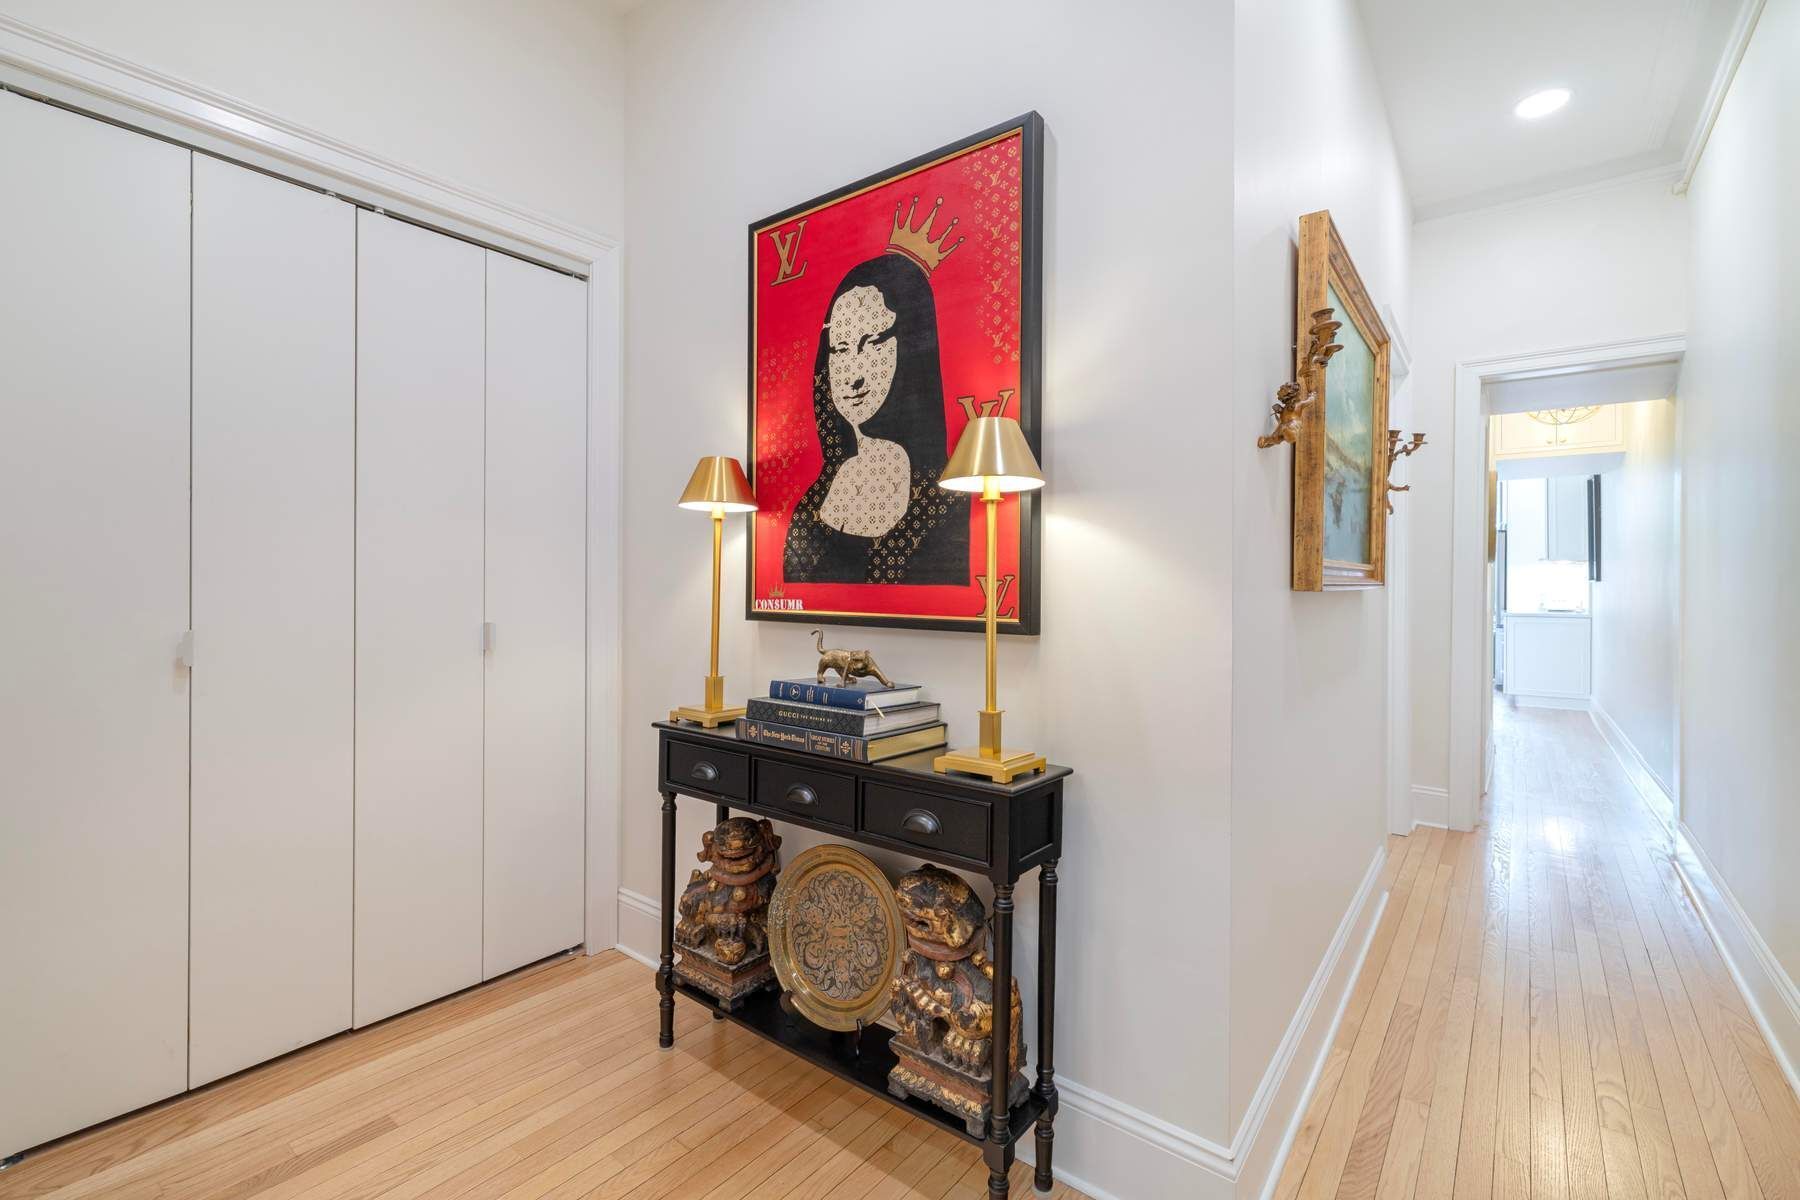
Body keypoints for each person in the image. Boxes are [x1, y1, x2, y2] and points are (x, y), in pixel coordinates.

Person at [783, 252, 968, 585]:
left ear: (913, 345)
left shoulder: (945, 502)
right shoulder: (812, 502)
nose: (853, 374)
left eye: (873, 344)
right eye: (839, 349)